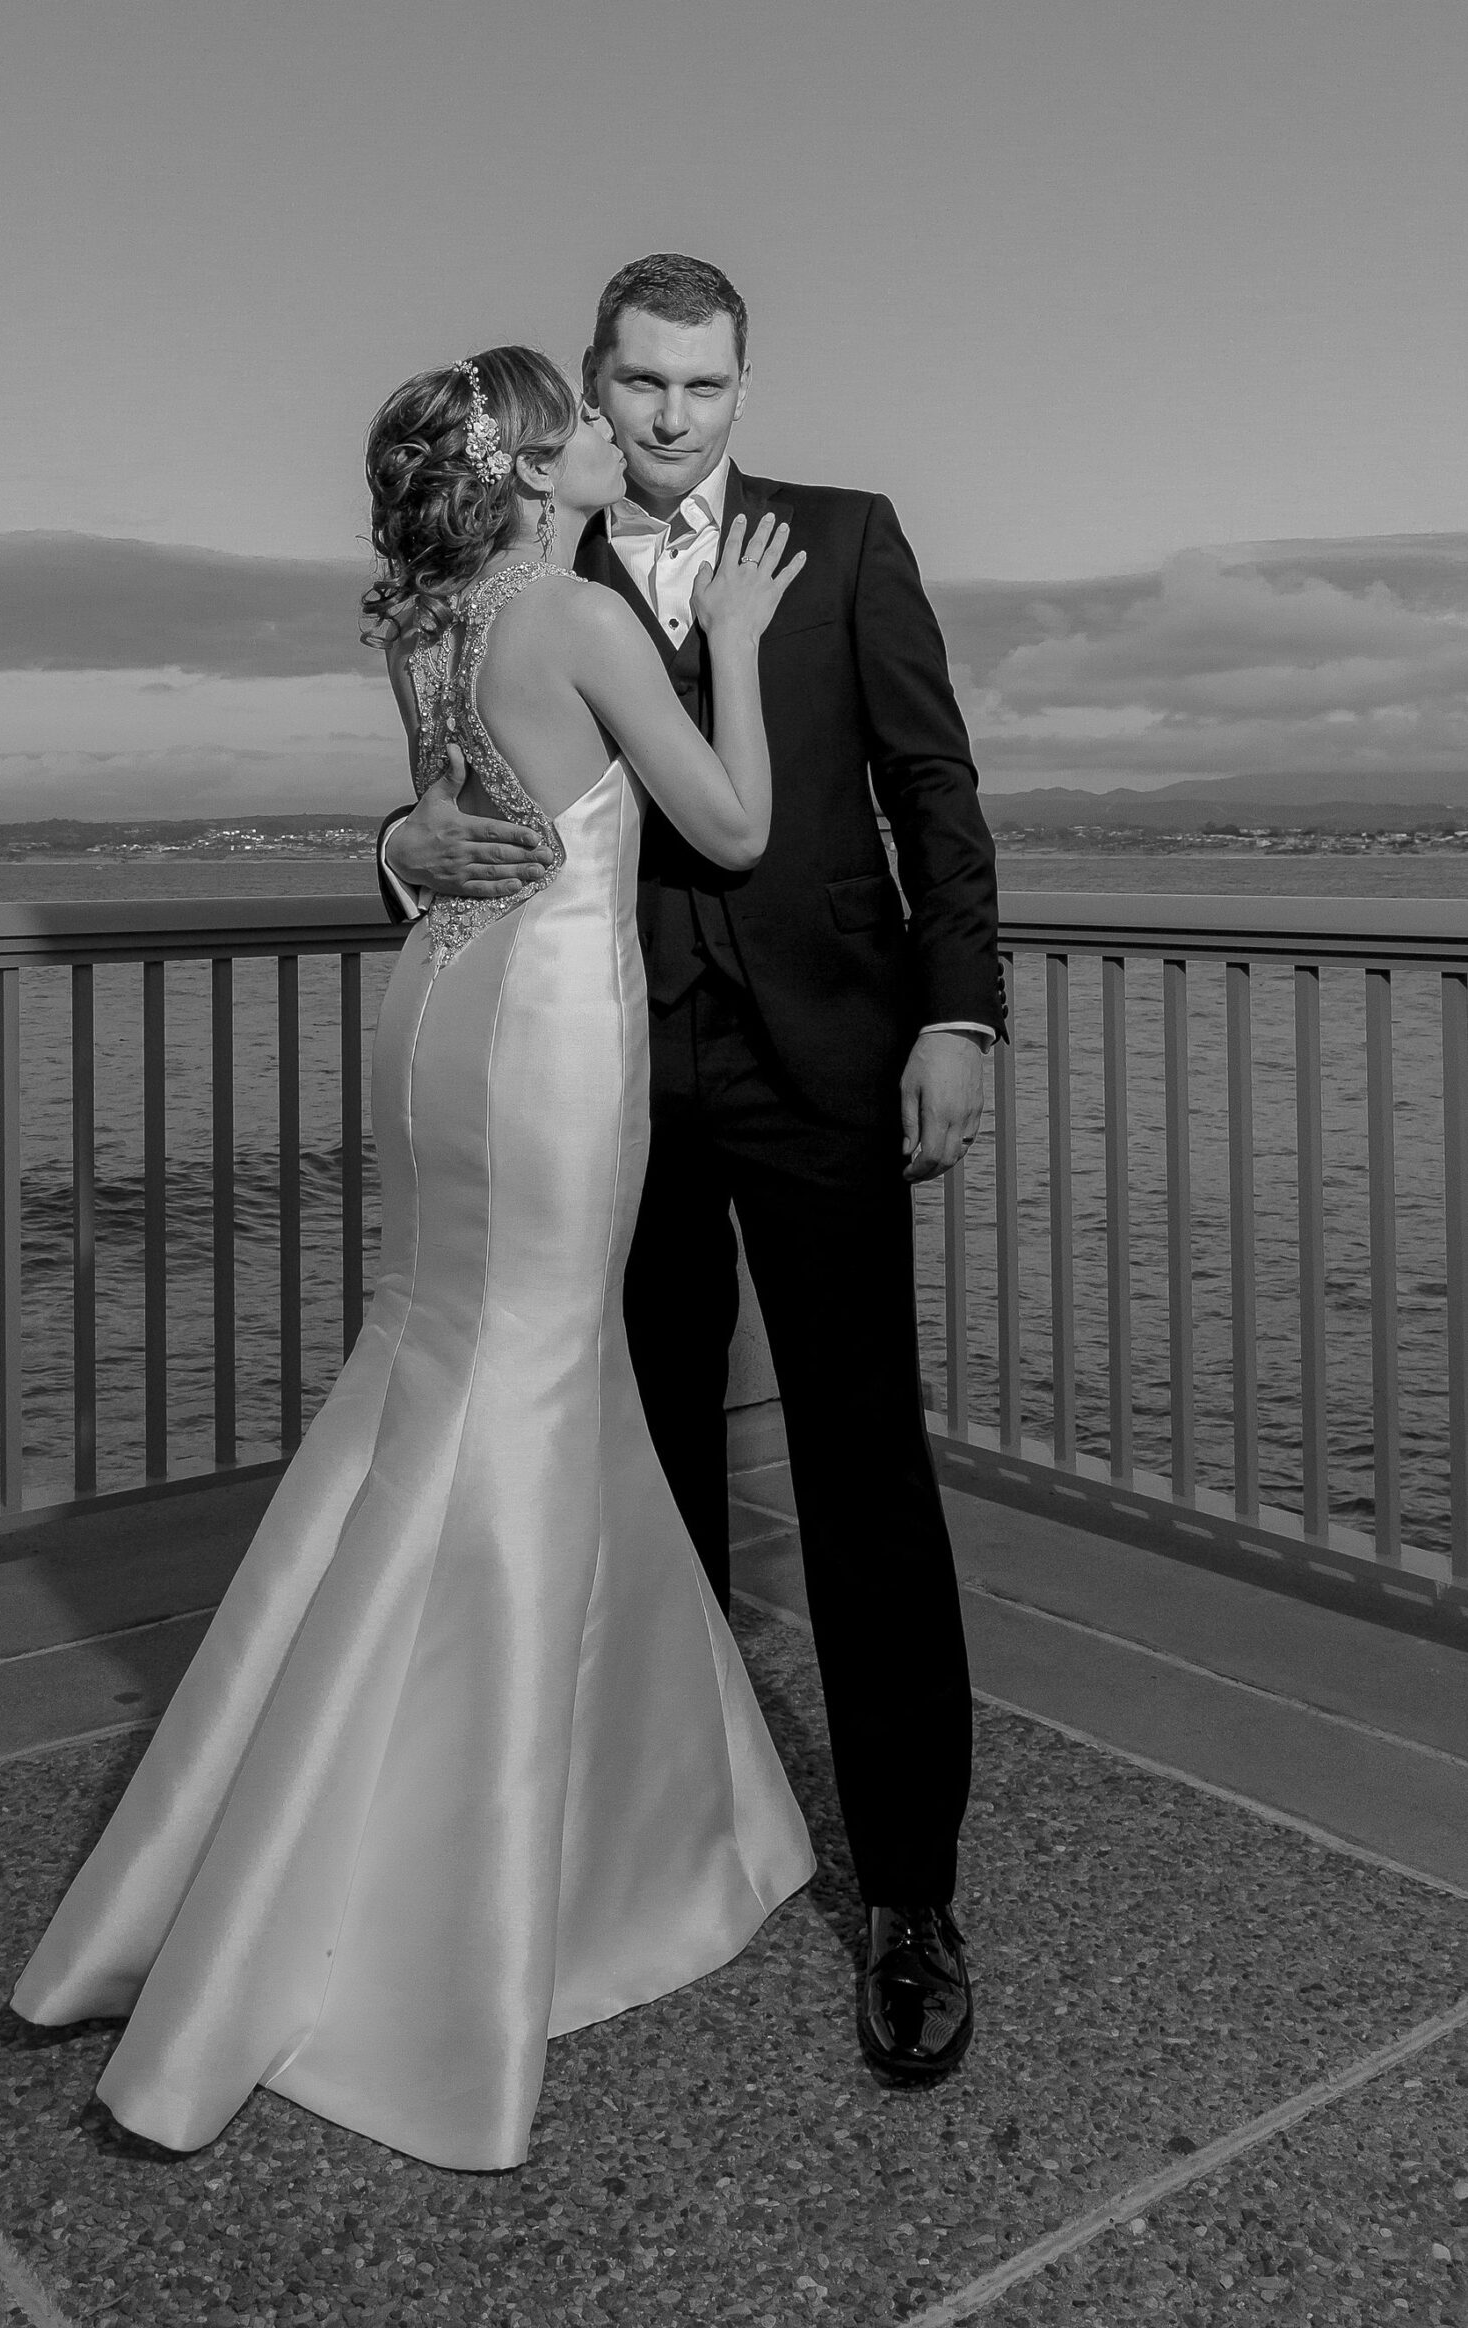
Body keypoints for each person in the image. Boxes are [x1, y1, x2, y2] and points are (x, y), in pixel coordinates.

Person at [10, 346, 815, 2172]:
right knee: (525, 1391)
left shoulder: (428, 624)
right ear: (537, 467)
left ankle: (435, 1800)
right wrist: (743, 641)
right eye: (590, 424)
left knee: (434, 1370)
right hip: (548, 1036)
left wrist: (402, 842)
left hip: (429, 1017)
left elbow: (440, 835)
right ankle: (467, 1896)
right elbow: (740, 830)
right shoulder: (580, 618)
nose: (622, 438)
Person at [380, 257, 1004, 2088]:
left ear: (746, 388)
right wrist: (395, 843)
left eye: (706, 389)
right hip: (609, 1085)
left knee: (865, 1469)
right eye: (642, 385)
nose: (671, 420)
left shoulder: (850, 538)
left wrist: (957, 1019)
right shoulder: (528, 558)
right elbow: (452, 775)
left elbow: (932, 792)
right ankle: (634, 1846)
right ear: (592, 385)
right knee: (628, 1460)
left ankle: (912, 1897)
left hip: (822, 1063)